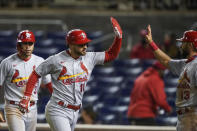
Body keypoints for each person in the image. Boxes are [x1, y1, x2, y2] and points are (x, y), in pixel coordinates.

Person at [18, 17, 122, 131]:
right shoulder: (56, 60)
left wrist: (118, 38)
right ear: (71, 44)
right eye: (81, 44)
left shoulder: (89, 57)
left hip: (75, 111)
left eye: (86, 44)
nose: (85, 47)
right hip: (58, 109)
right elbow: (36, 73)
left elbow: (111, 55)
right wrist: (27, 96)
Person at [145, 25, 197, 131]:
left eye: (183, 42)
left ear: (191, 44)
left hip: (192, 116)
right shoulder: (186, 64)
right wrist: (151, 43)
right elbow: (166, 61)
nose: (181, 45)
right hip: (184, 117)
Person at [0, 30, 52, 131]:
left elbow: (48, 83)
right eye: (25, 43)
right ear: (19, 45)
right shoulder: (7, 63)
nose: (28, 46)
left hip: (32, 108)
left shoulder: (40, 61)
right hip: (13, 107)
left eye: (30, 43)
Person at [127, 61, 172, 125]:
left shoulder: (140, 77)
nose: (164, 73)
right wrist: (168, 109)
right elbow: (160, 100)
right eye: (163, 71)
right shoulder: (155, 79)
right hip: (144, 115)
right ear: (160, 70)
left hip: (132, 114)